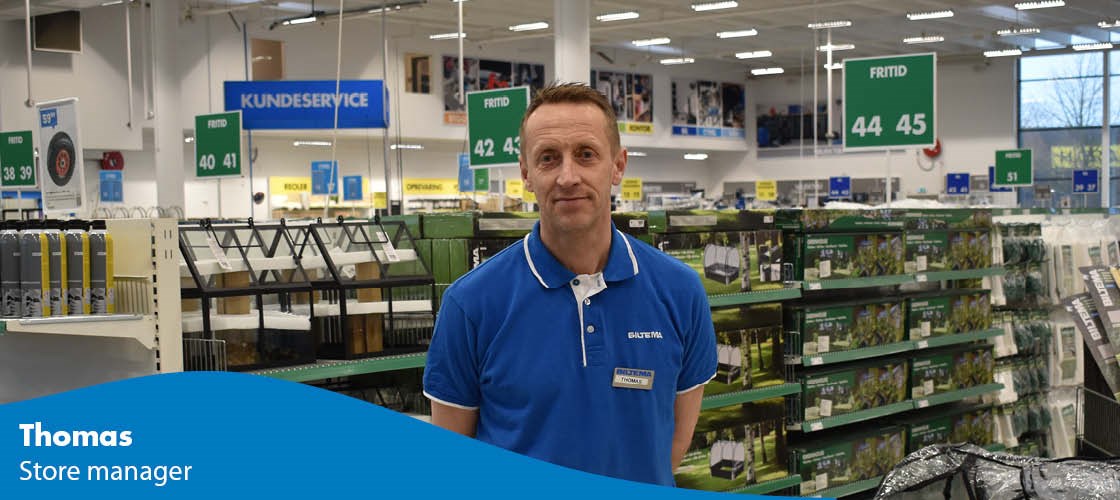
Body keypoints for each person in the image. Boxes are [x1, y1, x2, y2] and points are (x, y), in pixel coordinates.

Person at [422, 82, 717, 486]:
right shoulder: (471, 304)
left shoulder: (680, 292)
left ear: (617, 166)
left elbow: (670, 447)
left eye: (586, 154)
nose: (567, 176)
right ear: (526, 174)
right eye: (548, 158)